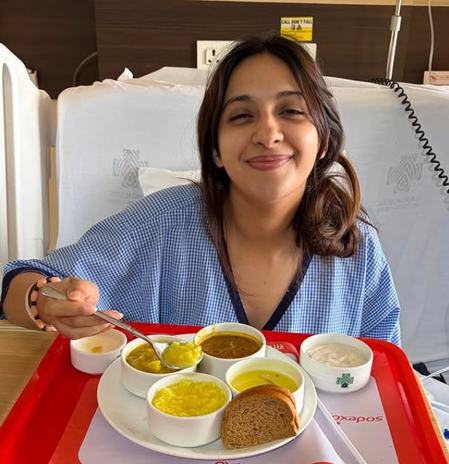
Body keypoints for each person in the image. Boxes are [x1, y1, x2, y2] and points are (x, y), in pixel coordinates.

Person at [0, 34, 401, 344]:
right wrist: (44, 302)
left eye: (291, 111)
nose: (267, 134)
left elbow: (385, 371)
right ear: (215, 150)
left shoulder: (358, 248)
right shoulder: (162, 223)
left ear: (324, 140)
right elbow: (16, 279)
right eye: (241, 116)